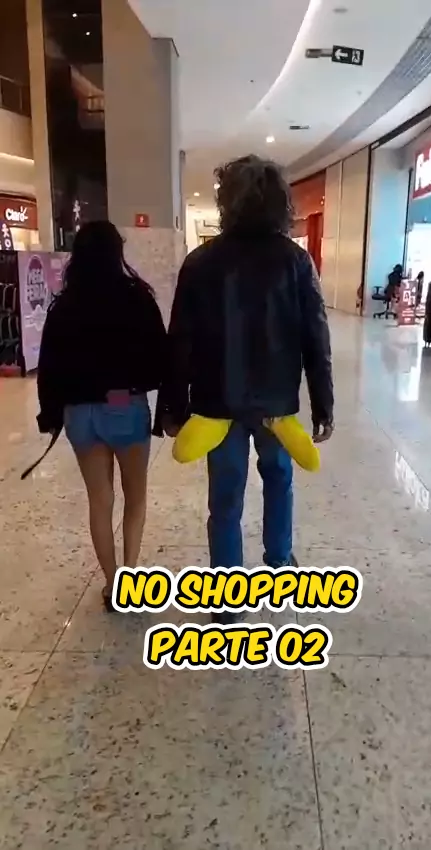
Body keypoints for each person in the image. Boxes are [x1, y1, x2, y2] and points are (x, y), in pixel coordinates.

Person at [155, 155, 334, 623]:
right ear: (280, 202)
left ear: (226, 202)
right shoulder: (295, 261)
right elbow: (316, 336)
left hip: (218, 404)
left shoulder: (201, 262)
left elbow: (180, 340)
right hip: (277, 404)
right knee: (279, 480)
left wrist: (173, 406)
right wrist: (323, 404)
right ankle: (279, 565)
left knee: (226, 497)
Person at [37, 221, 168, 610]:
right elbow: (160, 359)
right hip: (123, 406)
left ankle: (112, 583)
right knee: (135, 498)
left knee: (100, 500)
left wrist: (51, 415)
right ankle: (131, 579)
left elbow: (49, 369)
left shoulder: (63, 306)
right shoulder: (137, 298)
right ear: (117, 252)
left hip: (80, 413)